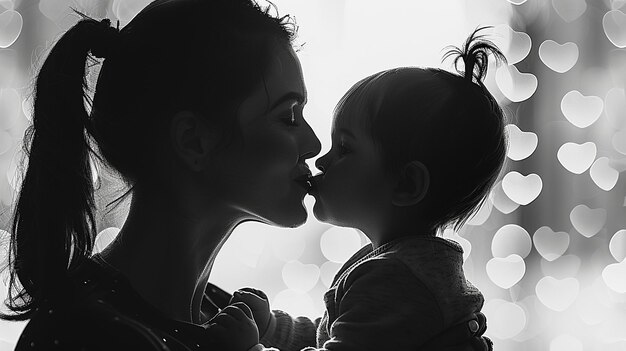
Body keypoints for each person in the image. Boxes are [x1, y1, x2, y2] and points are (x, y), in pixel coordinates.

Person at [0, 0, 491, 348]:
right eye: (288, 115)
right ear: (195, 141)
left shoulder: (224, 315)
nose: (315, 146)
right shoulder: (90, 336)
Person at [230, 28, 504, 351]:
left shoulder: (397, 279)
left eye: (344, 148)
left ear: (406, 184)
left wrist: (249, 348)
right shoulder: (403, 265)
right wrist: (272, 327)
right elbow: (335, 336)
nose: (321, 160)